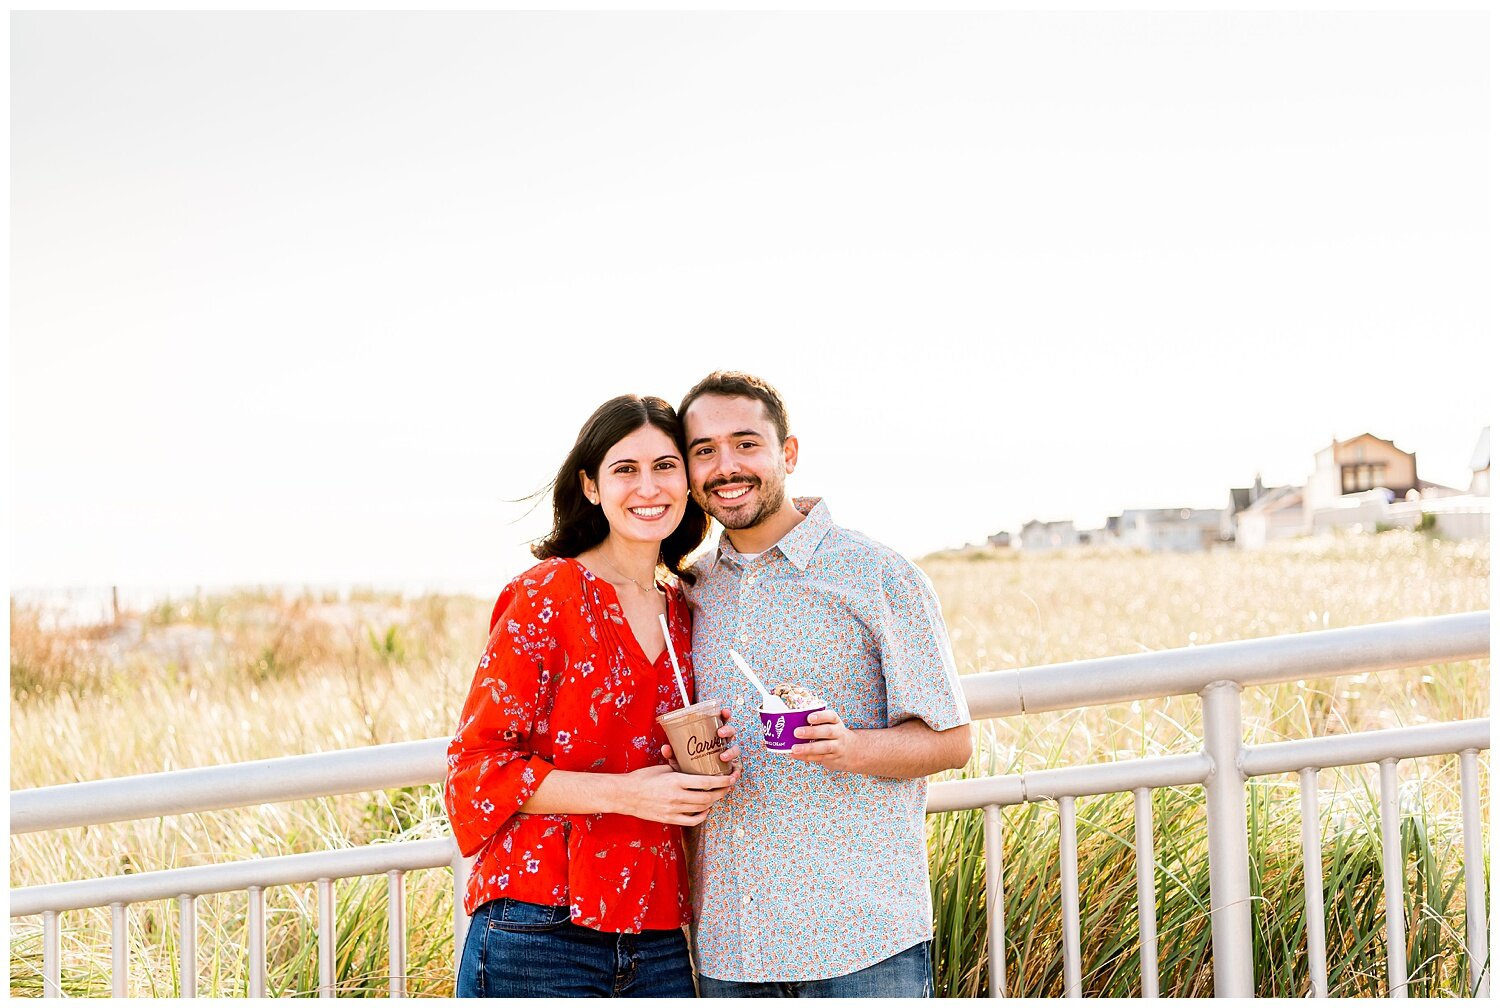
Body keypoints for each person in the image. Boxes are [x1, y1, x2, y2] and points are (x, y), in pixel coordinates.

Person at [675, 371, 973, 998]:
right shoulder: (690, 591)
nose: (726, 466)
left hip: (863, 940)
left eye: (746, 443)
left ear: (788, 453)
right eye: (705, 451)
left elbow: (951, 741)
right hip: (735, 948)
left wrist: (849, 746)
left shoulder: (878, 575)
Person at [444, 394, 742, 998]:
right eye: (624, 469)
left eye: (665, 465)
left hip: (658, 933)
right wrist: (629, 795)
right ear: (590, 486)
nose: (648, 487)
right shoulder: (544, 594)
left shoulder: (686, 607)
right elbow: (476, 772)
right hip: (539, 926)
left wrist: (710, 759)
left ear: (688, 480)